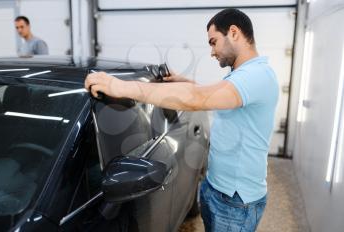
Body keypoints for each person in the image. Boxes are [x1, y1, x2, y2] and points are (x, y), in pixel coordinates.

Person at [85, 8, 279, 232]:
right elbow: (212, 95)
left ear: (234, 33)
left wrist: (121, 87)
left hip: (235, 202)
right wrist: (184, 81)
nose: (212, 52)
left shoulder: (256, 76)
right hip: (219, 189)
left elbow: (199, 98)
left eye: (213, 42)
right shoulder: (244, 74)